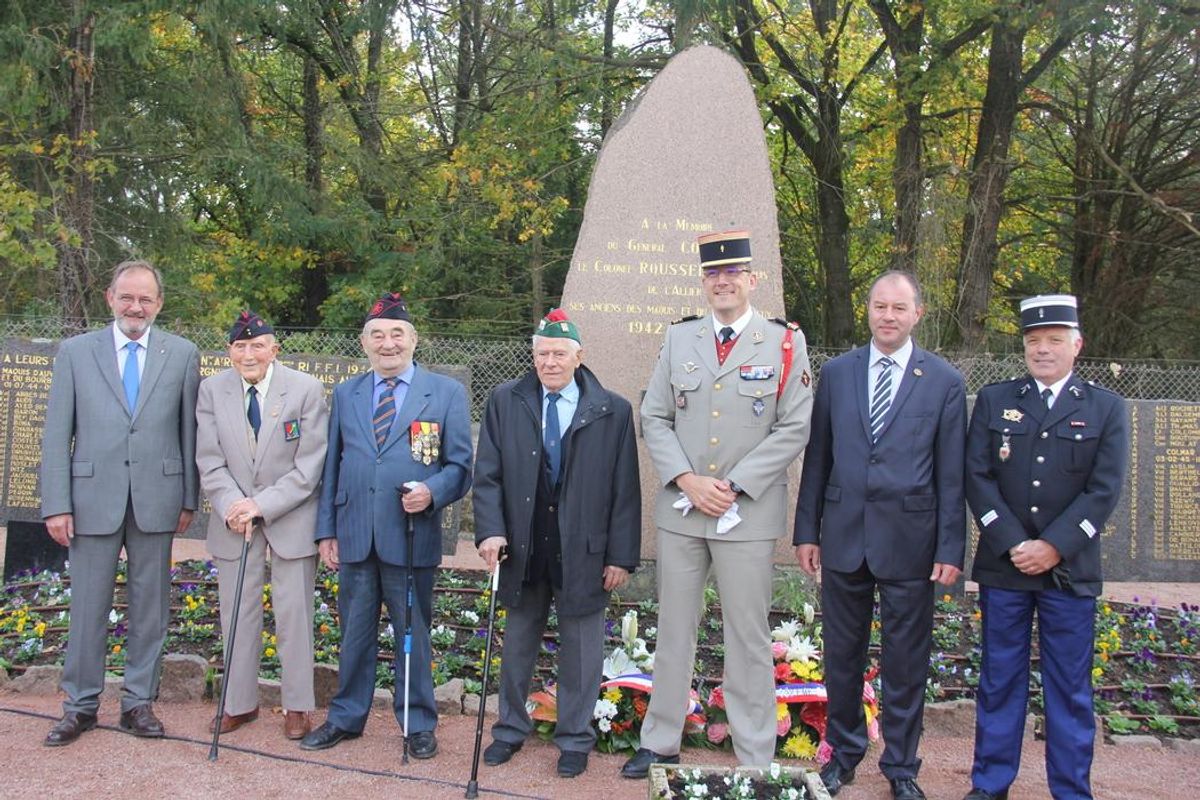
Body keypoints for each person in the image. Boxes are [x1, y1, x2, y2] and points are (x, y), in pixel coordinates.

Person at [623, 230, 814, 778]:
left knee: (748, 638)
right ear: (703, 281)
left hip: (745, 512)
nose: (723, 281)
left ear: (753, 280)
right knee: (674, 629)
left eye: (733, 273)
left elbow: (794, 425)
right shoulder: (680, 339)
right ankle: (660, 740)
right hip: (684, 511)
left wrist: (730, 485)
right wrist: (686, 478)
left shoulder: (781, 342)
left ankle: (754, 752)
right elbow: (654, 416)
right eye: (713, 273)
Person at [793, 270, 967, 800]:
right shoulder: (839, 373)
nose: (887, 316)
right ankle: (843, 755)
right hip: (844, 536)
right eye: (878, 306)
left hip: (911, 543)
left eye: (898, 307)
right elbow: (818, 456)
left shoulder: (943, 381)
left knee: (906, 660)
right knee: (841, 655)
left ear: (918, 313)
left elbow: (951, 473)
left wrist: (949, 547)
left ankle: (901, 766)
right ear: (867, 310)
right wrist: (807, 531)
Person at [962, 295, 1127, 800]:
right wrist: (1015, 542)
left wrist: (1053, 546)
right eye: (1034, 341)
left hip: (1068, 571)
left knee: (1070, 689)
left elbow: (1104, 491)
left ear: (1077, 344)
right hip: (1005, 566)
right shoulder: (995, 400)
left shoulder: (1105, 407)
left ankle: (1072, 790)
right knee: (999, 682)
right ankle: (990, 786)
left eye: (1055, 340)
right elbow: (977, 476)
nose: (1043, 349)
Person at [301, 292, 472, 758]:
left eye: (397, 334)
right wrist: (326, 531)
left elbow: (459, 466)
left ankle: (417, 723)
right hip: (356, 535)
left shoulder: (445, 394)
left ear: (413, 340)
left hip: (411, 537)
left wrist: (432, 492)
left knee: (411, 632)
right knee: (353, 633)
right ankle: (345, 717)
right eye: (378, 335)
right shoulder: (347, 393)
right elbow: (333, 466)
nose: (388, 343)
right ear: (365, 343)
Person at [474, 309, 641, 779]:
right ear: (534, 355)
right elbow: (488, 475)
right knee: (518, 645)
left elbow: (624, 489)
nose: (550, 362)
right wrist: (490, 530)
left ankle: (574, 738)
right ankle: (509, 729)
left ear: (578, 356)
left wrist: (620, 557)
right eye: (542, 353)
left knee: (583, 651)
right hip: (523, 547)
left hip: (584, 550)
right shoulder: (505, 401)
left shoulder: (612, 409)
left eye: (559, 353)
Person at [40, 260, 200, 745]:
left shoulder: (182, 354)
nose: (136, 307)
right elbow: (56, 435)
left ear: (159, 304)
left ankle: (138, 703)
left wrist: (188, 498)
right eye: (127, 297)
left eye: (146, 299)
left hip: (159, 498)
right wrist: (56, 504)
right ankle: (80, 705)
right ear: (110, 299)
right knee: (88, 605)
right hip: (90, 500)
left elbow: (188, 432)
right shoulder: (75, 352)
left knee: (150, 607)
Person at [196, 311, 329, 740]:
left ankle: (297, 706)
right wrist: (234, 504)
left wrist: (261, 504)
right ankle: (239, 703)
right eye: (239, 346)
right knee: (238, 612)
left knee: (294, 615)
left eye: (258, 345)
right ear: (229, 351)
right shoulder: (211, 390)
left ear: (275, 349)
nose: (248, 353)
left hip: (289, 518)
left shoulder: (305, 389)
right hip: (235, 522)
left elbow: (310, 467)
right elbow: (209, 459)